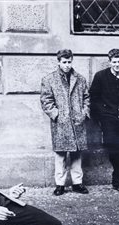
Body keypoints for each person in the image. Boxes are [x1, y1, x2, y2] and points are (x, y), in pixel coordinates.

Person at [40, 49, 91, 196]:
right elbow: (46, 101)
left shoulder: (80, 79)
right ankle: (60, 184)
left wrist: (84, 113)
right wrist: (57, 115)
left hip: (77, 122)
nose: (67, 65)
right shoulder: (49, 79)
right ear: (58, 62)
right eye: (64, 62)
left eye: (69, 62)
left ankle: (77, 183)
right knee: (60, 154)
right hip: (61, 123)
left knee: (76, 154)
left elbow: (87, 98)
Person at [90, 48, 119, 192]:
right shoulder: (100, 76)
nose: (117, 65)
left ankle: (117, 178)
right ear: (109, 62)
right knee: (111, 146)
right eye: (114, 62)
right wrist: (100, 115)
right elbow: (94, 97)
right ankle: (116, 176)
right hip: (107, 118)